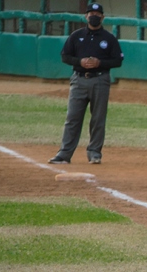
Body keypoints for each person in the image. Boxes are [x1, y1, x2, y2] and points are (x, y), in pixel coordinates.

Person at [48, 3, 123, 165]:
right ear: (86, 16)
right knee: (73, 117)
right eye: (91, 13)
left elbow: (117, 60)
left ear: (102, 17)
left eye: (97, 13)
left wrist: (99, 63)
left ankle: (94, 153)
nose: (94, 16)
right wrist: (80, 61)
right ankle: (64, 153)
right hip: (79, 79)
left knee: (98, 119)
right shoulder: (76, 36)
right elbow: (65, 56)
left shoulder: (109, 38)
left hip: (100, 79)